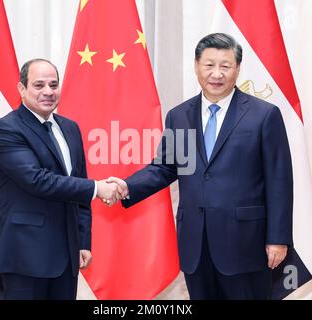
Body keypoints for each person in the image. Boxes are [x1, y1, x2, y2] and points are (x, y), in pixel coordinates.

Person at [108, 33, 293, 299]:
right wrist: (127, 185)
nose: (216, 73)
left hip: (245, 243)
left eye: (225, 66)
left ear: (238, 69)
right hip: (196, 243)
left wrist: (278, 237)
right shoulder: (179, 116)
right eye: (209, 65)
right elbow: (165, 167)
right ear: (196, 65)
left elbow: (279, 181)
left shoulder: (263, 115)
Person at [0, 59, 122, 299]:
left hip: (66, 256)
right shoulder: (6, 129)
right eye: (39, 85)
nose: (48, 92)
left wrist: (82, 241)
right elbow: (37, 180)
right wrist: (97, 188)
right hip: (25, 256)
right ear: (22, 89)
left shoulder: (70, 128)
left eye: (53, 84)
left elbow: (79, 191)